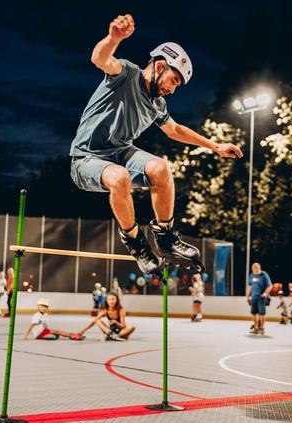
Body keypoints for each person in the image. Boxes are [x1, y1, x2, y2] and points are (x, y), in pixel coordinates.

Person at [69, 14, 242, 276]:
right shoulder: (127, 74)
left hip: (121, 152)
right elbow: (100, 59)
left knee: (160, 168)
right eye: (174, 80)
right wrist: (114, 38)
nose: (173, 89)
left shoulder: (157, 104)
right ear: (160, 65)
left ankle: (165, 236)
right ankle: (135, 241)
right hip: (86, 158)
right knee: (120, 177)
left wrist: (215, 146)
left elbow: (174, 130)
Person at [246, 262, 272, 335]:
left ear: (259, 267)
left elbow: (270, 285)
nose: (255, 269)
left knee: (261, 313)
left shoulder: (264, 275)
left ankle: (261, 328)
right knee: (254, 313)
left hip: (261, 297)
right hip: (254, 297)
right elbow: (249, 286)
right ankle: (256, 328)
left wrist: (265, 293)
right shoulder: (251, 275)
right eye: (254, 268)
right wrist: (247, 296)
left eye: (256, 268)